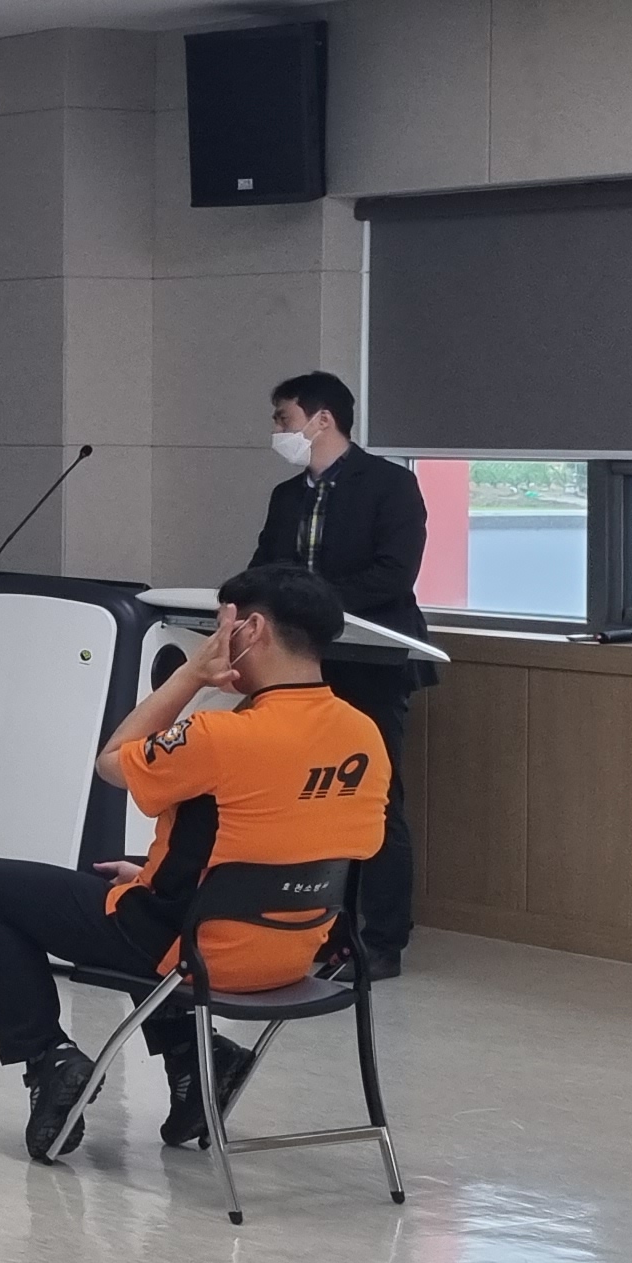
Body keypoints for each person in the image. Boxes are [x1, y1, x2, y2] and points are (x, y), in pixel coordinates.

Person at [0, 561, 389, 1163]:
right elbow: (281, 838)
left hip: (202, 953)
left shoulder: (221, 735)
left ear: (251, 630)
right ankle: (196, 1061)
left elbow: (113, 761)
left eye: (221, 627)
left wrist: (190, 675)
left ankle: (48, 1059)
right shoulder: (365, 734)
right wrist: (153, 875)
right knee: (137, 885)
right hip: (296, 949)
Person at [251, 370, 428, 974]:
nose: (277, 429)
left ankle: (381, 940)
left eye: (284, 418)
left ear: (322, 419)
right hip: (302, 666)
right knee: (312, 797)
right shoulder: (287, 496)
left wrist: (309, 602)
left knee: (374, 799)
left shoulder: (390, 485)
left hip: (372, 663)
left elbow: (392, 576)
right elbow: (264, 568)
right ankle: (324, 927)